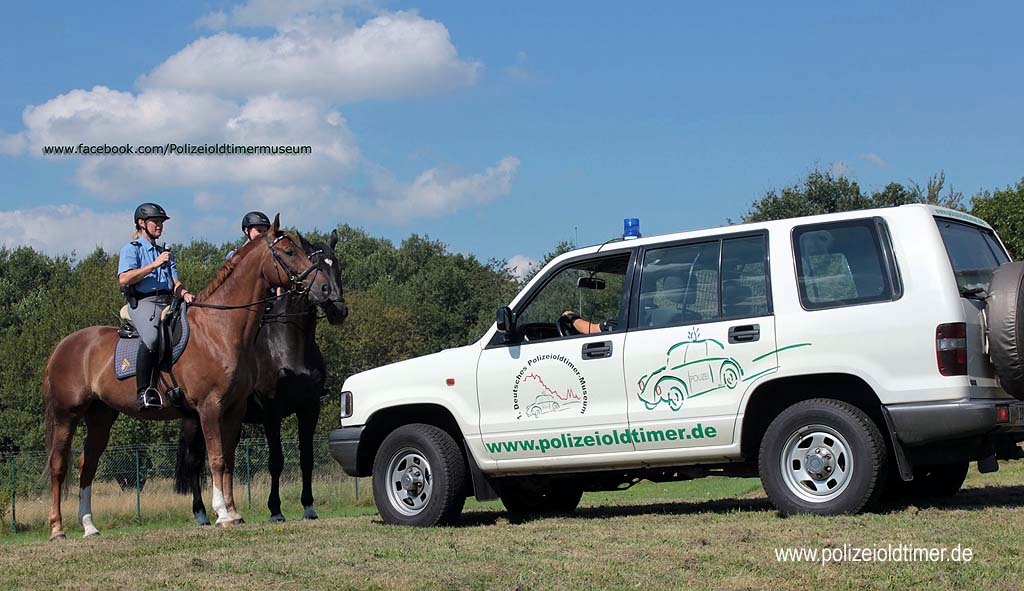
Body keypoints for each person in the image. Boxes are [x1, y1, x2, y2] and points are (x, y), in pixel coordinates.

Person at [117, 203, 195, 411]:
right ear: (142, 224)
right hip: (144, 302)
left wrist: (185, 293)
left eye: (162, 222)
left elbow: (175, 282)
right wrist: (154, 264)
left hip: (168, 301)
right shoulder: (132, 249)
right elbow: (124, 279)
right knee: (151, 338)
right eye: (156, 222)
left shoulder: (165, 253)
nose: (160, 226)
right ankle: (144, 392)